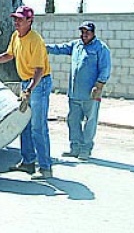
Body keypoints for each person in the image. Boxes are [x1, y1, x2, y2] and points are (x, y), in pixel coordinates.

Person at [0, 5, 53, 180]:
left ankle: (45, 167)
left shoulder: (35, 40)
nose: (16, 22)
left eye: (20, 19)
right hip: (27, 82)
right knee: (24, 123)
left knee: (38, 126)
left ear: (30, 21)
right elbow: (8, 55)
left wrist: (29, 90)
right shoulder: (16, 37)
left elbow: (39, 70)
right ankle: (28, 162)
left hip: (39, 83)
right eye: (15, 19)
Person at [46, 21, 111, 161]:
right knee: (73, 120)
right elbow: (60, 48)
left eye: (87, 32)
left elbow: (105, 68)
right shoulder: (76, 45)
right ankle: (74, 148)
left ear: (93, 33)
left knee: (90, 121)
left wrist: (99, 85)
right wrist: (44, 47)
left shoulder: (101, 48)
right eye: (82, 32)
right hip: (74, 93)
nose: (84, 34)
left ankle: (86, 149)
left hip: (91, 94)